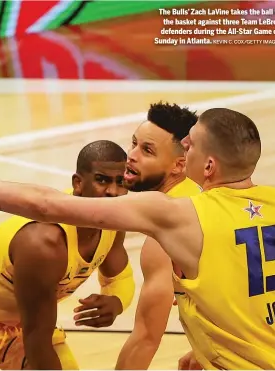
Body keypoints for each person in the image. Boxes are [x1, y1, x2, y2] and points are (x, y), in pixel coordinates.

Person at [0, 107, 275, 370]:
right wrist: (208, 351)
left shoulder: (177, 215)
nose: (131, 157)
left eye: (190, 145)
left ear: (204, 165)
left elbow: (44, 203)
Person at [0, 140, 135, 370]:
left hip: (23, 325)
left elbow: (119, 278)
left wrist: (116, 301)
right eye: (102, 180)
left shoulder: (112, 221)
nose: (113, 192)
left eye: (120, 182)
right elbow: (37, 342)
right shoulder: (44, 244)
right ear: (78, 183)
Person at [116, 102, 201, 370]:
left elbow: (146, 337)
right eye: (134, 144)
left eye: (147, 150)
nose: (131, 155)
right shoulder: (201, 196)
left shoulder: (166, 236)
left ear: (179, 166)